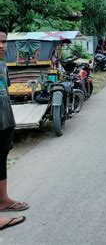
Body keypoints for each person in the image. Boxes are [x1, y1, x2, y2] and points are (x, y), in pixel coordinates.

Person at [0, 23, 27, 231]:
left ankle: (3, 200)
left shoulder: (2, 64)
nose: (2, 46)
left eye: (4, 41)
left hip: (5, 120)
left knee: (2, 160)